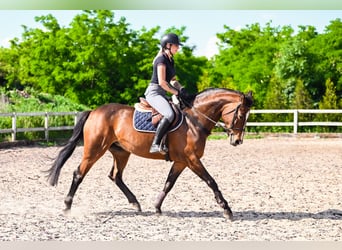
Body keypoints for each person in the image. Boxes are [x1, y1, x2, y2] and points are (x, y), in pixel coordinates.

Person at [144, 33, 191, 154]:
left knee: (180, 109)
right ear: (168, 45)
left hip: (162, 93)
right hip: (154, 93)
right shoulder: (161, 59)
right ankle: (155, 144)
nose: (178, 48)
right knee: (169, 114)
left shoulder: (170, 60)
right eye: (176, 45)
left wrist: (181, 89)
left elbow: (173, 80)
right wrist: (176, 92)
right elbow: (162, 83)